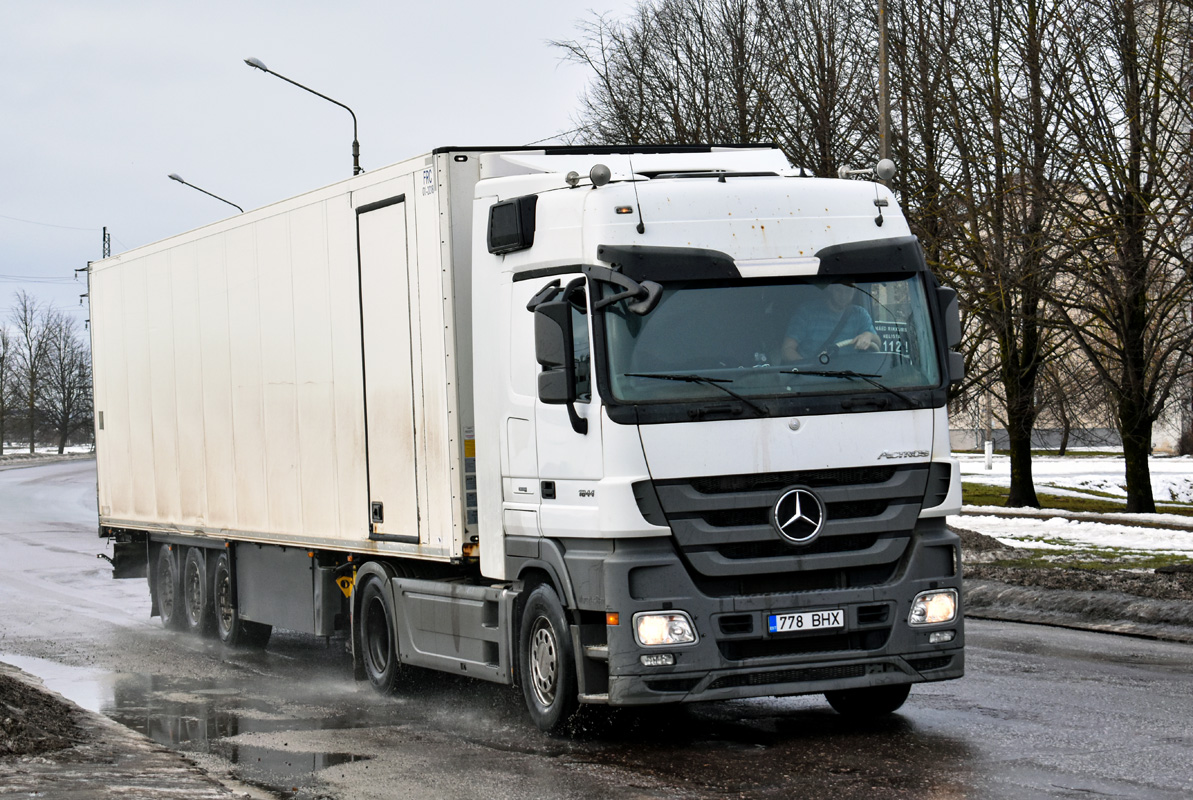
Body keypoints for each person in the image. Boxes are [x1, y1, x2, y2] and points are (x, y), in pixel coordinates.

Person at [781, 282, 880, 363]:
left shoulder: (860, 314)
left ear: (855, 290)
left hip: (849, 376)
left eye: (848, 291)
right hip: (810, 380)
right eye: (839, 290)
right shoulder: (807, 312)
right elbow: (787, 349)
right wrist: (807, 368)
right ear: (830, 288)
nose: (843, 295)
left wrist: (869, 335)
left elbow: (878, 344)